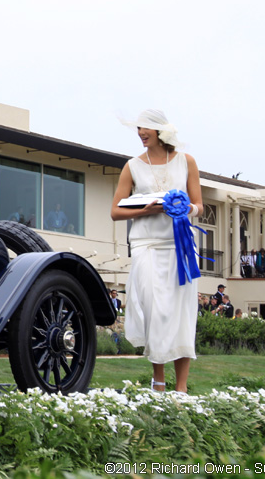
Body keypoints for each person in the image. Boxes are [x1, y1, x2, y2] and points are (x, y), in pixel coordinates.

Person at [110, 109, 202, 393]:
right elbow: (115, 211)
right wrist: (144, 209)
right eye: (137, 129)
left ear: (160, 131)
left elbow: (199, 206)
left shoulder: (187, 162)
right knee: (155, 310)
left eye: (144, 129)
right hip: (146, 245)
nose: (140, 134)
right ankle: (158, 381)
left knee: (181, 312)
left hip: (179, 246)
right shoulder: (132, 166)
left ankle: (182, 388)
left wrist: (187, 209)